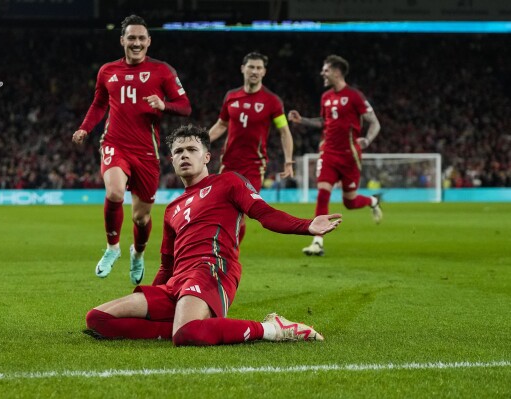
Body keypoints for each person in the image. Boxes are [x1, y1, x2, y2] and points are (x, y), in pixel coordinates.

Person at [84, 124, 342, 346]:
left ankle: (273, 328)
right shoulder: (172, 208)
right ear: (172, 161)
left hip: (212, 270)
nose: (185, 155)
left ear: (207, 156)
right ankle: (185, 325)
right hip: (176, 283)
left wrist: (307, 225)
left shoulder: (228, 182)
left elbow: (264, 214)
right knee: (98, 319)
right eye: (178, 152)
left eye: (192, 150)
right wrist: (152, 295)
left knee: (187, 336)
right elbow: (167, 265)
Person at [72, 15, 191, 284]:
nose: (136, 43)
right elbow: (99, 104)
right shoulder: (107, 71)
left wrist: (164, 106)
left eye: (141, 38)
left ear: (148, 41)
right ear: (122, 40)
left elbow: (185, 106)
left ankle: (137, 253)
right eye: (131, 38)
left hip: (146, 152)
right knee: (114, 192)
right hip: (114, 143)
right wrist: (85, 128)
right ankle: (112, 248)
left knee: (141, 218)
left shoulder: (163, 71)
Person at [288, 54, 382, 257]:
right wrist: (302, 120)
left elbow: (374, 122)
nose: (322, 73)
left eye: (326, 70)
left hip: (350, 157)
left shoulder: (355, 96)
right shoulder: (326, 97)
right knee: (323, 194)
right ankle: (317, 242)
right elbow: (324, 122)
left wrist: (367, 140)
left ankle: (372, 201)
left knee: (350, 202)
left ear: (337, 72)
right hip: (329, 153)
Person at [208, 52, 295, 241]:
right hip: (228, 163)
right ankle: (223, 250)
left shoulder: (272, 101)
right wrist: (202, 141)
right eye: (251, 67)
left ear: (264, 72)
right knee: (223, 211)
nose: (254, 71)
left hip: (254, 166)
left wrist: (289, 161)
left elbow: (284, 131)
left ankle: (230, 254)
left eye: (258, 68)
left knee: (240, 212)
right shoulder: (231, 96)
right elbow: (222, 124)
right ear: (243, 69)